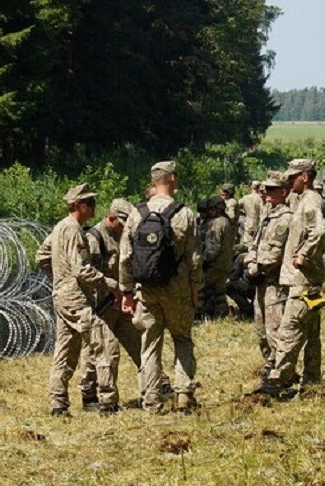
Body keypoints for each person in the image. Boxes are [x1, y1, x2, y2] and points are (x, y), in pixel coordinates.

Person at [119, 161, 202, 413]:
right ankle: (183, 394)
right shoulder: (184, 213)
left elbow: (125, 257)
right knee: (182, 338)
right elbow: (194, 258)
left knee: (150, 343)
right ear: (173, 178)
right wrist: (195, 288)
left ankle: (152, 399)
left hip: (147, 288)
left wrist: (126, 291)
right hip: (177, 287)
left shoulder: (137, 213)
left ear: (153, 181)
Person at [77, 198, 169, 413]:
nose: (125, 227)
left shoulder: (125, 236)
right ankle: (91, 394)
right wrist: (109, 288)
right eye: (121, 223)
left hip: (121, 304)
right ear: (111, 218)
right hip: (102, 306)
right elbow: (85, 272)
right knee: (100, 352)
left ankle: (157, 385)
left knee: (138, 343)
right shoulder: (94, 239)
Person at [36, 183, 119, 416]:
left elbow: (41, 256)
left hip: (63, 297)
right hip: (76, 299)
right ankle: (108, 402)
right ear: (79, 205)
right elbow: (81, 270)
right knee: (104, 344)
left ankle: (58, 404)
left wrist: (59, 277)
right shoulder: (73, 230)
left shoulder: (60, 227)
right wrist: (110, 284)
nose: (94, 207)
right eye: (90, 203)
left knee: (65, 351)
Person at [262, 159, 325, 396]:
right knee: (311, 331)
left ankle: (278, 380)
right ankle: (312, 379)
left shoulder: (310, 201)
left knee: (290, 329)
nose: (289, 181)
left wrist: (304, 255)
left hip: (303, 280)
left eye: (292, 177)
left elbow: (319, 231)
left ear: (305, 177)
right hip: (307, 279)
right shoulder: (305, 200)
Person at [245, 171, 294, 378]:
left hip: (274, 281)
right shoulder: (268, 215)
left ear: (283, 192)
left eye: (272, 190)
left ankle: (280, 368)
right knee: (260, 328)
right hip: (261, 280)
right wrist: (250, 261)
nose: (266, 193)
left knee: (275, 327)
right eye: (266, 189)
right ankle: (270, 361)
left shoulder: (286, 218)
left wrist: (256, 267)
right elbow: (255, 243)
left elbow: (275, 253)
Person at [197, 197, 234, 319]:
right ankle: (221, 313)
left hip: (215, 264)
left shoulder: (217, 223)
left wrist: (203, 261)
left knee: (201, 286)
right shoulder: (225, 221)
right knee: (219, 290)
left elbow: (213, 248)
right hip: (224, 263)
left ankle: (201, 312)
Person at [237, 181, 264, 249]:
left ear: (251, 187)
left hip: (248, 225)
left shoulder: (245, 198)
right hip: (260, 226)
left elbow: (236, 206)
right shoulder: (262, 198)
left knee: (247, 246)